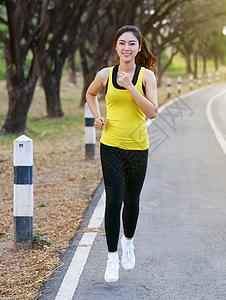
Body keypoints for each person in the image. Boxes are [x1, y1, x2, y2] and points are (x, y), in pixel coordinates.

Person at [85, 25, 158, 283]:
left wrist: (131, 87)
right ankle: (111, 259)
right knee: (113, 201)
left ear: (139, 48)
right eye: (122, 43)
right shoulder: (105, 74)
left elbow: (152, 112)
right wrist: (97, 117)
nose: (126, 48)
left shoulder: (146, 76)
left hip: (138, 147)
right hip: (111, 146)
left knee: (132, 201)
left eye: (132, 44)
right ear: (116, 46)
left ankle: (128, 243)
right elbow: (90, 94)